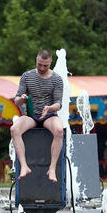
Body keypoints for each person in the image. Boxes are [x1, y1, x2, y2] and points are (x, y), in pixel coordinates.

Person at [10, 49, 64, 182]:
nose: (42, 68)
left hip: (49, 115)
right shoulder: (27, 76)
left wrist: (49, 108)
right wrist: (21, 99)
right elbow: (16, 100)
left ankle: (52, 168)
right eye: (39, 64)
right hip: (31, 115)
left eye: (45, 65)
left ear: (51, 62)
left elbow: (58, 104)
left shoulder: (57, 79)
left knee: (59, 130)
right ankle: (24, 166)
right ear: (36, 60)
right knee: (14, 129)